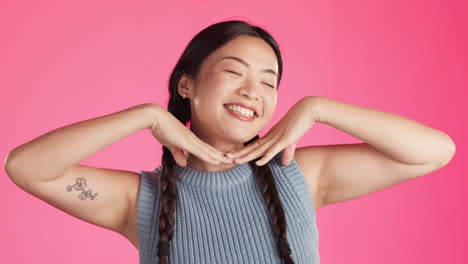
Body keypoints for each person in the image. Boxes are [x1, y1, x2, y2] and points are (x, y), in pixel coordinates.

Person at [4, 20, 456, 264]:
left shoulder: (299, 176)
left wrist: (320, 108)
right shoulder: (140, 200)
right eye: (234, 72)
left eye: (268, 82)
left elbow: (436, 151)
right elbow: (25, 167)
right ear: (187, 85)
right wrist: (144, 117)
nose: (252, 92)